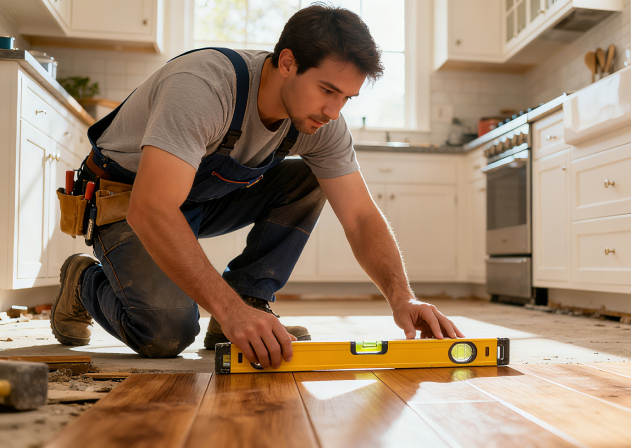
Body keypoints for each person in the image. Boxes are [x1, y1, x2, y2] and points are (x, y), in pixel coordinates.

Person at [51, 4, 464, 369]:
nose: (334, 111)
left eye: (346, 99)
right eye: (327, 90)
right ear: (287, 62)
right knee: (165, 333)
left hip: (201, 199)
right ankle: (85, 280)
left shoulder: (319, 123)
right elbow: (152, 209)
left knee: (307, 178)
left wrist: (402, 297)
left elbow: (358, 216)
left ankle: (249, 301)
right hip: (127, 200)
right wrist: (227, 310)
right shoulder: (204, 88)